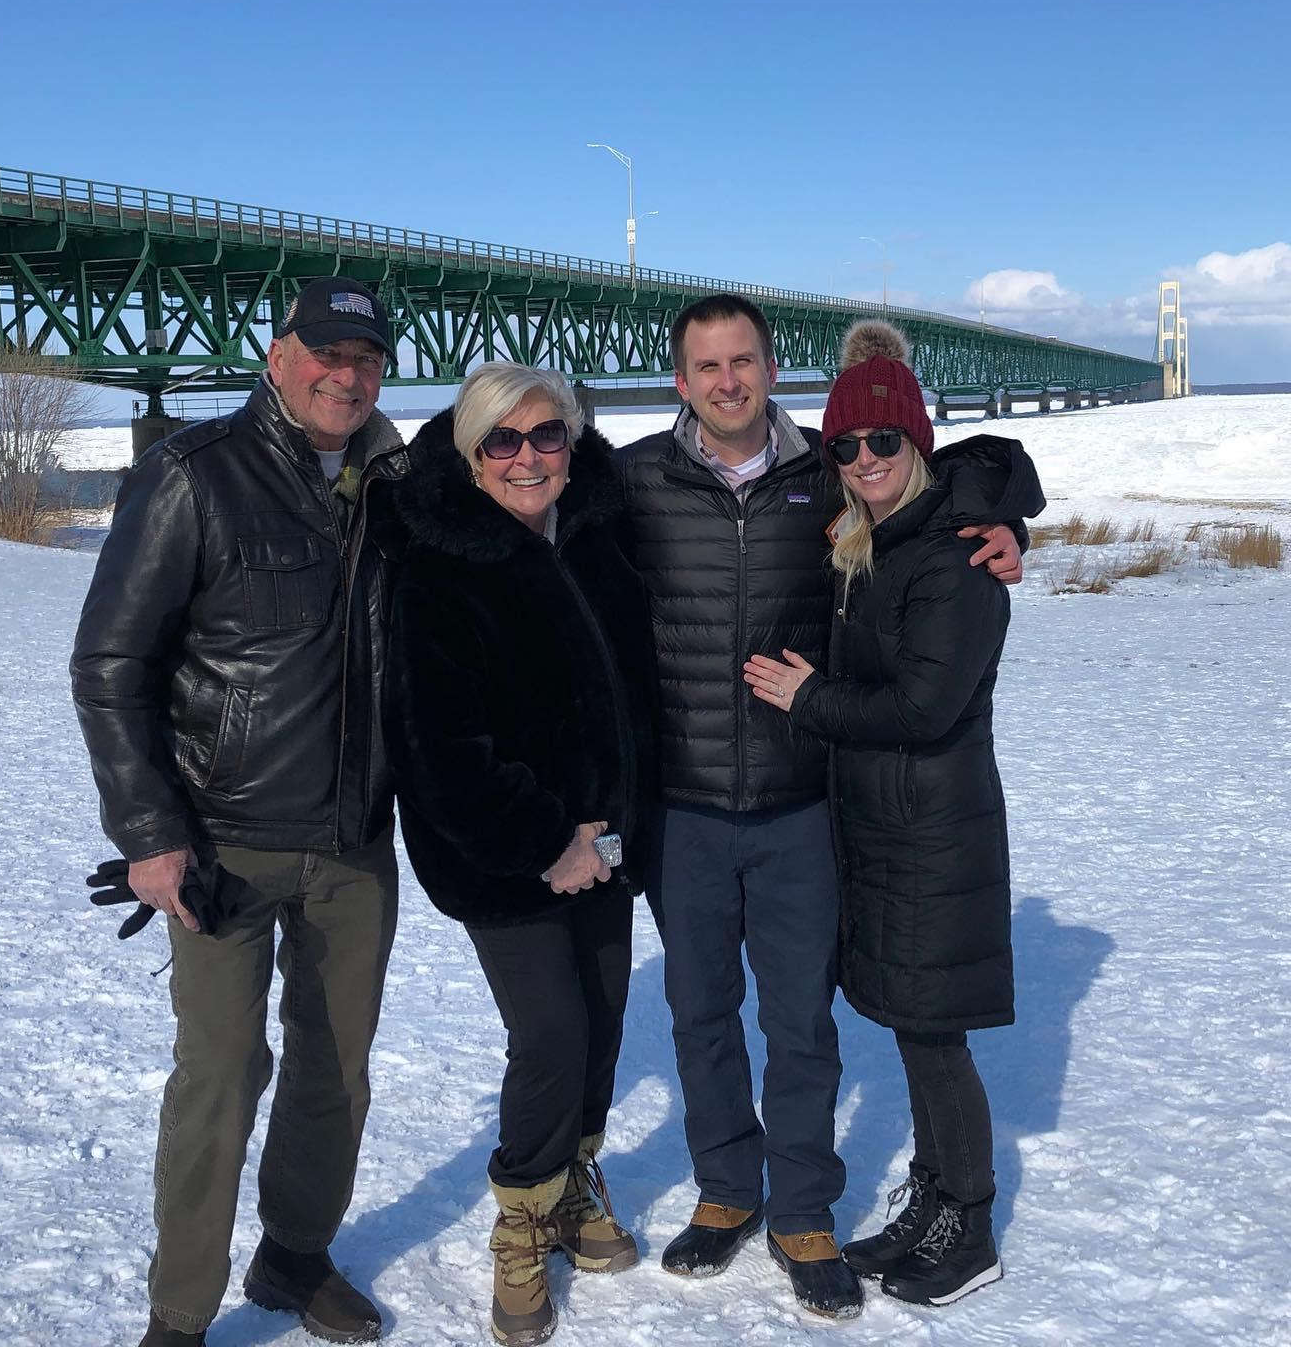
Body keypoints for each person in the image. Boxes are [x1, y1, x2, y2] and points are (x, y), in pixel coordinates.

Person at [616, 294, 1032, 1319]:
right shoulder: (631, 481)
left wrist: (1002, 517)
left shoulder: (825, 483)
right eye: (706, 366)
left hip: (805, 799)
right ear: (681, 381)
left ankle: (803, 1207)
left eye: (744, 361)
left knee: (801, 1019)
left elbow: (940, 498)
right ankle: (725, 1193)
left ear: (769, 369)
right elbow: (504, 492)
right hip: (685, 803)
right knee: (700, 1014)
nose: (727, 381)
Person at [71, 277, 408, 1347]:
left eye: (365, 359)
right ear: (279, 354)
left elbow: (540, 489)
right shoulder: (193, 475)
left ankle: (295, 1256)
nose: (345, 375)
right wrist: (149, 834)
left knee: (335, 1072)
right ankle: (179, 1314)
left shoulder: (399, 482)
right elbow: (110, 661)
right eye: (326, 353)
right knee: (220, 1075)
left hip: (353, 842)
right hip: (224, 843)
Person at [744, 319, 1043, 1307]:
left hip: (931, 827)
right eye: (847, 446)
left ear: (917, 445)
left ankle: (970, 1225)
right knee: (914, 1022)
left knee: (933, 1034)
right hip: (887, 824)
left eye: (884, 443)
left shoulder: (954, 557)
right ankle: (931, 1201)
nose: (864, 460)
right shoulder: (878, 535)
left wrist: (808, 700)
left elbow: (924, 707)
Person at [372, 364, 658, 1347]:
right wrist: (547, 841)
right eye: (503, 441)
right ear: (470, 451)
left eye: (548, 437)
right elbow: (436, 748)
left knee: (608, 1014)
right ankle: (522, 1226)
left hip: (611, 841)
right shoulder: (439, 563)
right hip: (506, 854)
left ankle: (575, 1183)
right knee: (551, 1032)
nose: (529, 457)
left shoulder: (601, 534)